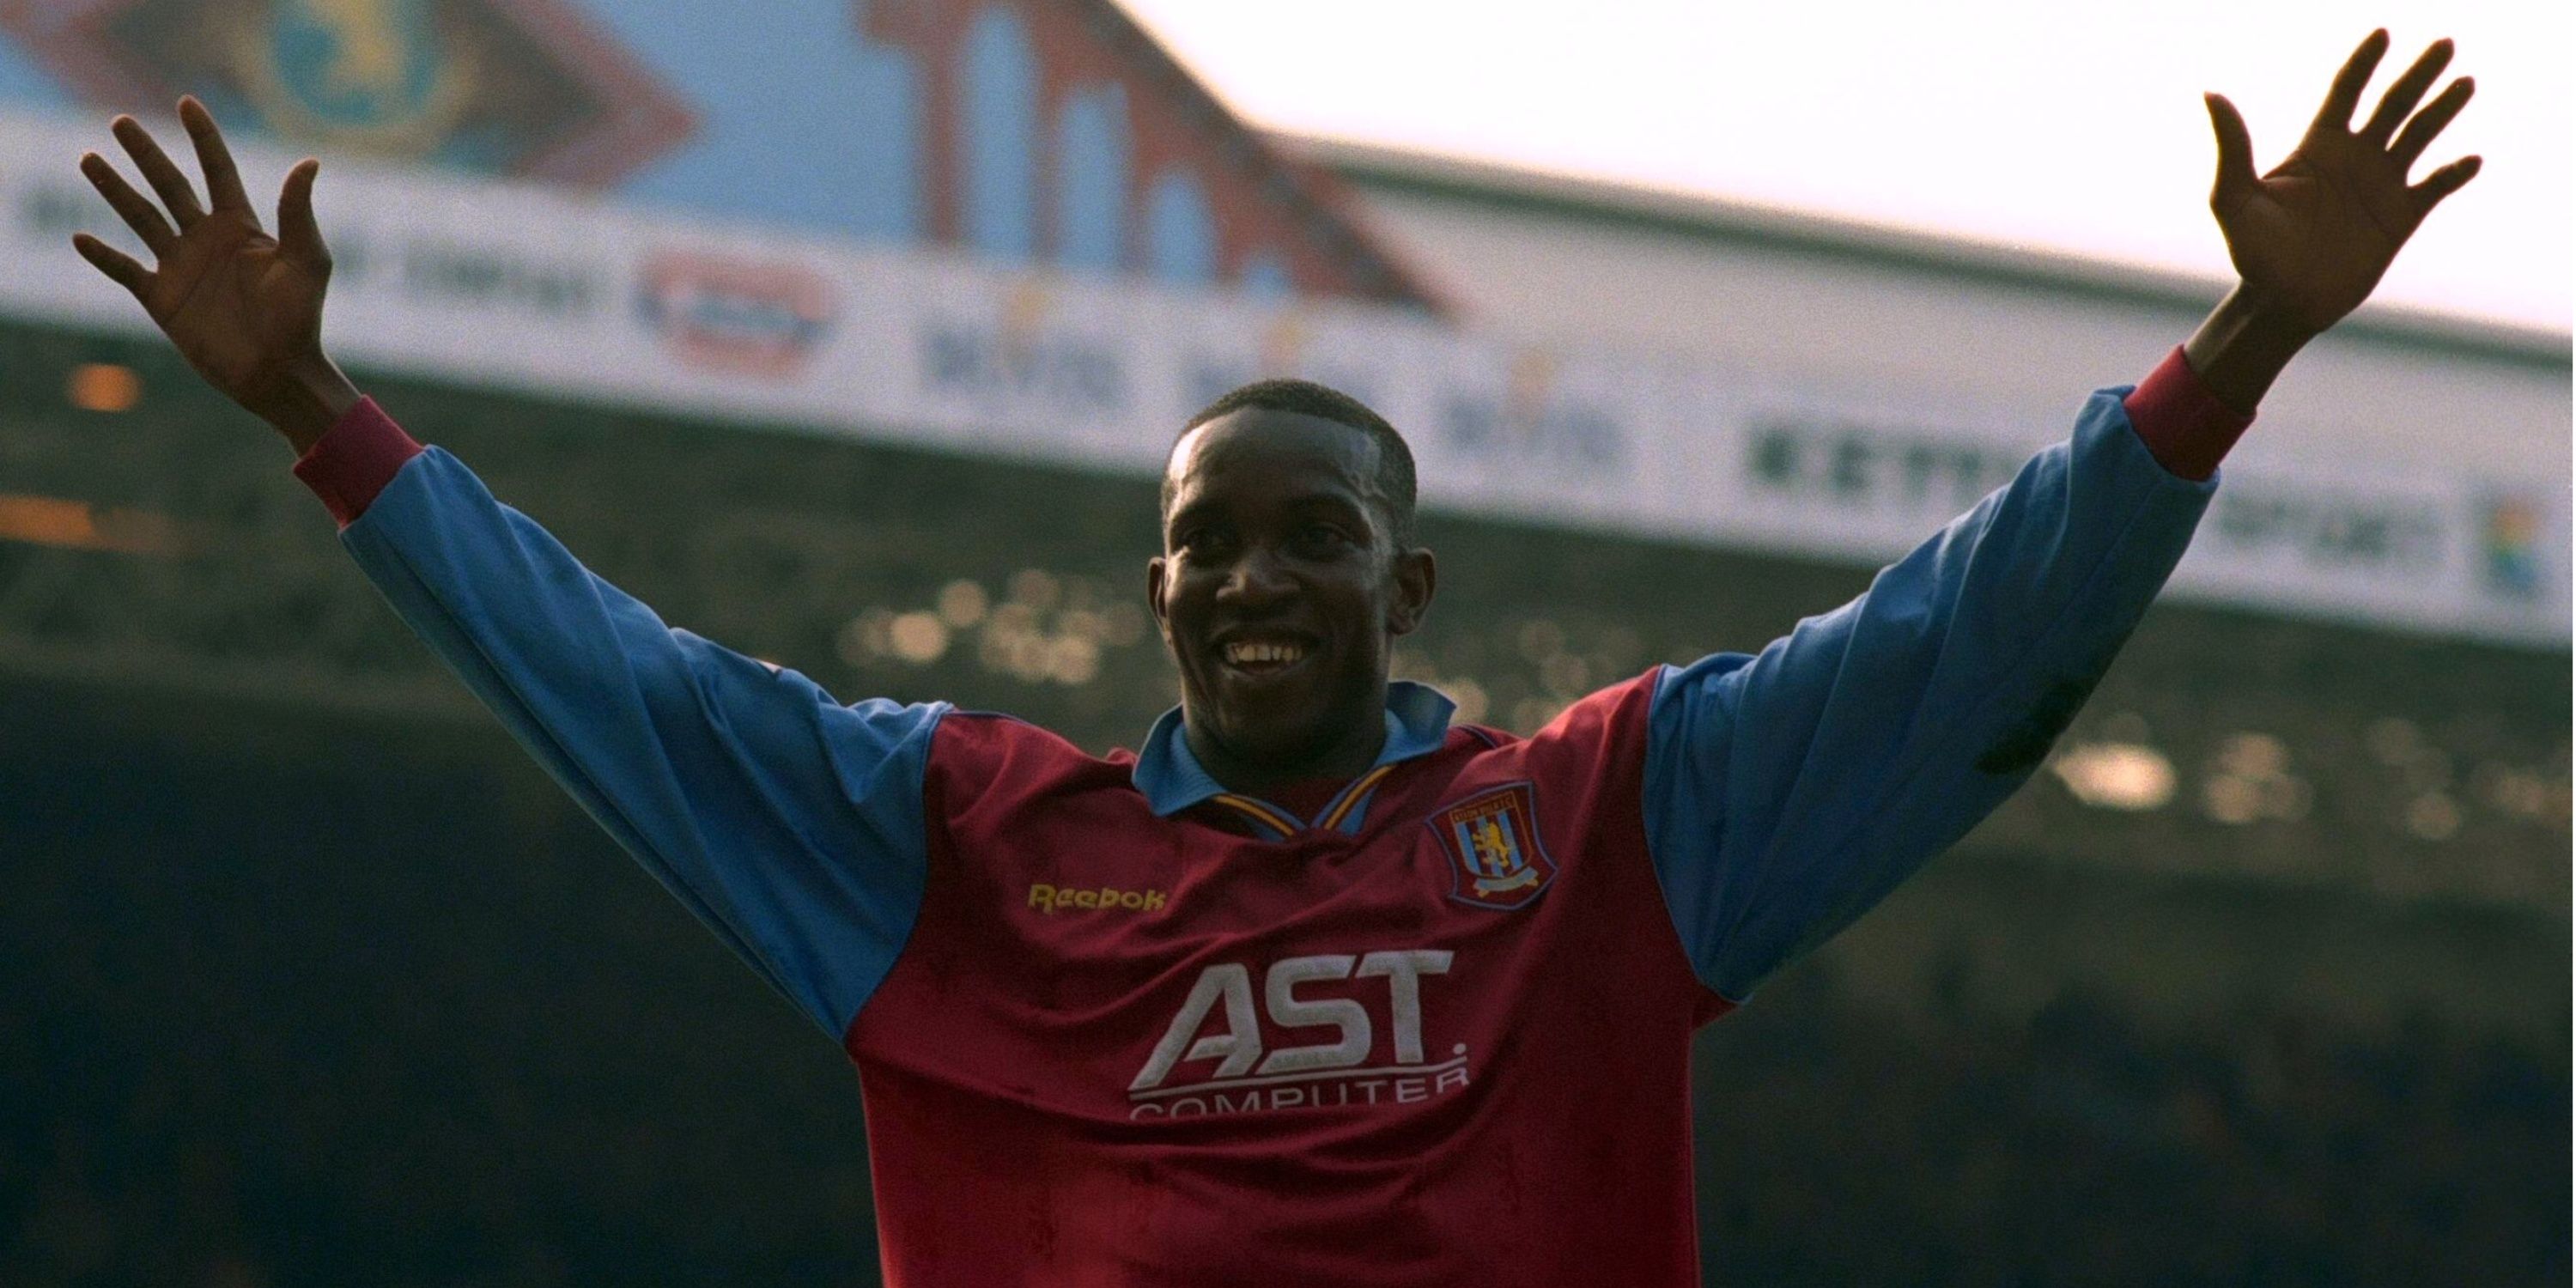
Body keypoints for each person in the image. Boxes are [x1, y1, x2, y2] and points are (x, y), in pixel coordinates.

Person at [70, 30, 2477, 1286]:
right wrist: (318, 415)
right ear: (1152, 594)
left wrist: (2242, 339)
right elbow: (612, 677)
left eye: (1312, 538)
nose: (1252, 582)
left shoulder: (1605, 835)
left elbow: (1967, 642)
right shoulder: (971, 845)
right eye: (1205, 547)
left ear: (1403, 589)